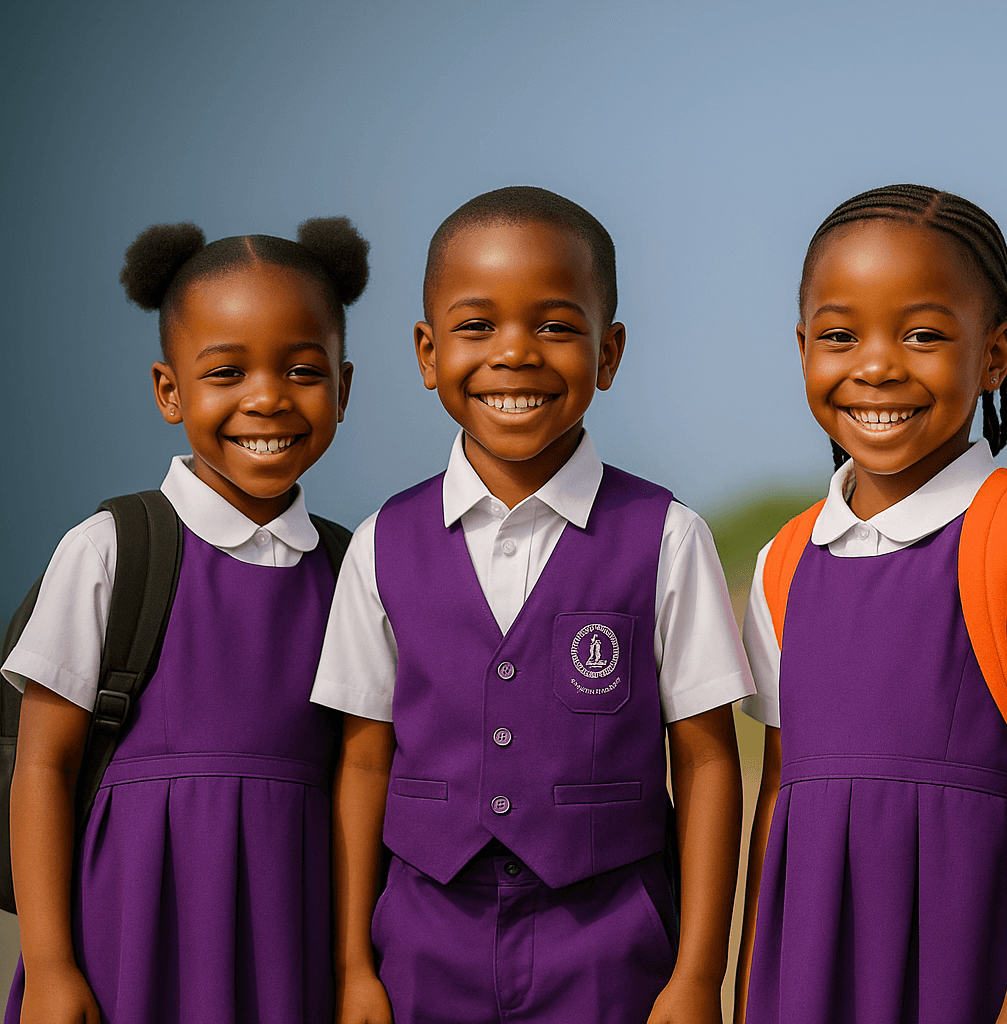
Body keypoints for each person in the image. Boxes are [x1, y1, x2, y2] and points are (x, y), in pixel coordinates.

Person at [313, 186, 753, 1024]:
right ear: (426, 350)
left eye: (554, 326)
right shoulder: (380, 543)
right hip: (421, 946)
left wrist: (698, 974)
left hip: (612, 949)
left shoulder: (667, 535)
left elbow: (704, 762)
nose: (514, 354)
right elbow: (365, 763)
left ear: (610, 351)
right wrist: (352, 967)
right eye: (477, 327)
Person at [736, 184, 1007, 1024]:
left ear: (994, 354)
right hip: (813, 978)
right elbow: (777, 798)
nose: (876, 365)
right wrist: (750, 990)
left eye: (922, 334)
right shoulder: (783, 562)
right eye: (840, 336)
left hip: (985, 969)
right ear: (802, 347)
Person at [2, 217, 369, 1024]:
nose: (266, 397)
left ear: (343, 388)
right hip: (126, 944)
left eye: (302, 371)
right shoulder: (110, 552)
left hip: (292, 947)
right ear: (171, 391)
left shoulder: (353, 572)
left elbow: (360, 782)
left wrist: (355, 969)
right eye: (227, 371)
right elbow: (44, 769)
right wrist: (52, 966)